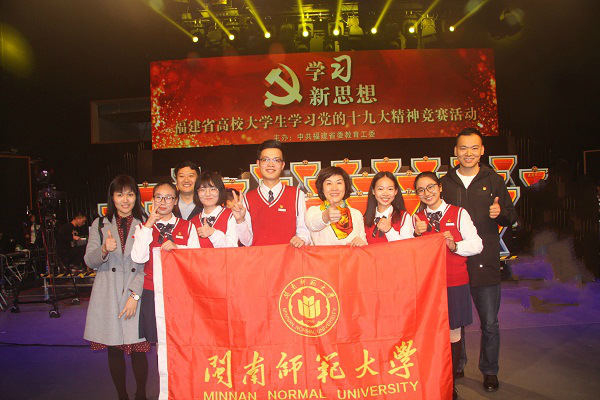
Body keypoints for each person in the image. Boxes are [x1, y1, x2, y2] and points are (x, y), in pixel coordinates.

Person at [440, 128, 518, 392]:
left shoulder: (494, 180)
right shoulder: (445, 183)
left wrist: (500, 213)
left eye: (474, 148)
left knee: (490, 322)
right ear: (455, 151)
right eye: (463, 148)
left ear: (482, 150)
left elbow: (511, 215)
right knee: (456, 321)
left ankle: (490, 370)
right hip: (454, 262)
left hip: (485, 261)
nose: (469, 153)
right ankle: (458, 364)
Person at [412, 172, 483, 399]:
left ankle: (449, 385)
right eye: (421, 190)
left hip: (454, 282)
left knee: (453, 334)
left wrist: (455, 246)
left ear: (440, 187)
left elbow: (477, 245)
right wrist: (415, 235)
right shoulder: (416, 219)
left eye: (430, 187)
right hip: (428, 287)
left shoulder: (459, 213)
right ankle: (433, 381)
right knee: (430, 334)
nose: (427, 193)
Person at [84, 175, 149, 400]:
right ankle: (122, 395)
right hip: (108, 294)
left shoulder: (146, 223)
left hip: (135, 292)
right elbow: (89, 260)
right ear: (112, 197)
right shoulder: (99, 224)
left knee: (139, 348)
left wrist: (135, 295)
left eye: (130, 194)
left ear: (136, 197)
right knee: (114, 348)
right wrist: (103, 249)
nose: (125, 199)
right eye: (120, 194)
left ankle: (141, 395)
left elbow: (148, 266)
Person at [131, 182, 200, 344]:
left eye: (168, 198)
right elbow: (138, 258)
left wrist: (178, 249)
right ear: (152, 200)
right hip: (152, 290)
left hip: (180, 291)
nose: (163, 202)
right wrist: (149, 225)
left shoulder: (188, 226)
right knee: (157, 340)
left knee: (182, 339)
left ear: (175, 201)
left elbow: (196, 259)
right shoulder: (142, 228)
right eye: (159, 197)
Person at [237, 140, 311, 247]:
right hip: (259, 257)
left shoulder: (296, 194)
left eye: (276, 160)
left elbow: (304, 231)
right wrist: (240, 220)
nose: (271, 164)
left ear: (282, 165)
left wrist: (302, 239)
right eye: (266, 159)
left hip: (288, 256)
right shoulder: (247, 198)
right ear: (258, 163)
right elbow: (247, 242)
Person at [305, 166, 367, 246]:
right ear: (322, 188)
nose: (334, 188)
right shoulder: (314, 211)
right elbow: (312, 225)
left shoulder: (356, 214)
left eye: (339, 183)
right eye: (329, 183)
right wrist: (326, 216)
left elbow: (364, 244)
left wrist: (362, 243)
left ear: (345, 186)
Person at [190, 172, 249, 248]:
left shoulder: (232, 216)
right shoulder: (192, 222)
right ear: (197, 193)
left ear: (220, 191)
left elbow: (233, 247)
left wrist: (213, 233)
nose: (207, 194)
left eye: (212, 189)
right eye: (202, 190)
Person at [363, 171, 413, 243]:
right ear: (373, 191)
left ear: (396, 191)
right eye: (380, 189)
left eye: (390, 189)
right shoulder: (364, 219)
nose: (385, 193)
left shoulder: (404, 216)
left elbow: (407, 245)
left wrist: (389, 230)